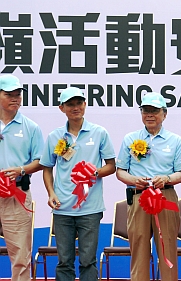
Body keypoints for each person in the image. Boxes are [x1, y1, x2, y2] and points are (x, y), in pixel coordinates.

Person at [40, 87, 116, 281]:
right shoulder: (54, 136)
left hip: (90, 208)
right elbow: (47, 167)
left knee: (88, 261)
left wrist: (93, 172)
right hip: (62, 207)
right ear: (61, 108)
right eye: (70, 104)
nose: (75, 108)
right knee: (64, 261)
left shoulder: (99, 132)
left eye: (79, 103)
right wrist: (51, 193)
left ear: (85, 105)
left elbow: (111, 166)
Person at [116, 92, 181, 281]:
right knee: (139, 248)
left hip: (165, 197)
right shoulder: (129, 139)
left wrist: (166, 178)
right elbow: (120, 171)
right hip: (138, 197)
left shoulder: (176, 141)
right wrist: (133, 180)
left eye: (154, 111)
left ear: (164, 114)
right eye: (145, 110)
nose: (149, 115)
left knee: (168, 248)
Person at [0, 74, 43, 281]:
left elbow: (40, 161)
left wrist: (21, 170)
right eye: (9, 95)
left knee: (20, 253)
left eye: (18, 95)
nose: (15, 98)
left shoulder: (31, 127)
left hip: (16, 194)